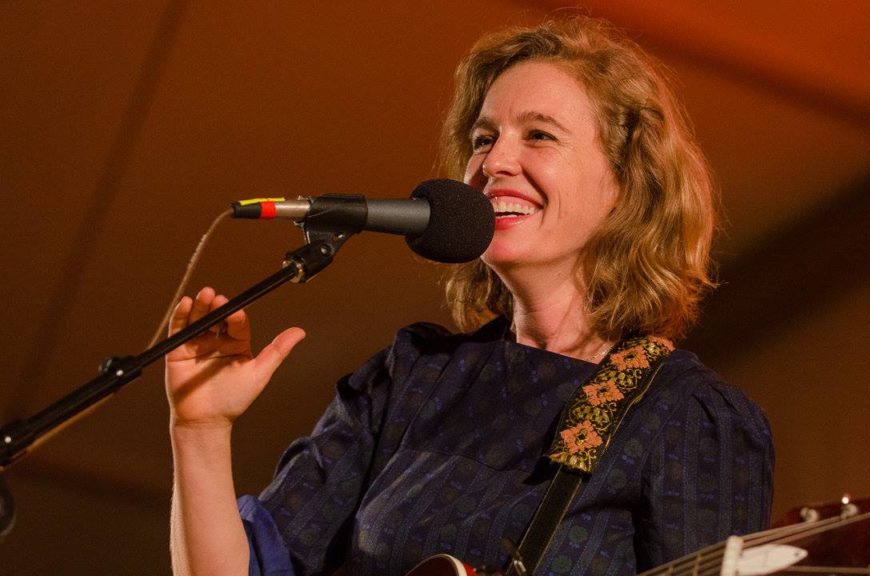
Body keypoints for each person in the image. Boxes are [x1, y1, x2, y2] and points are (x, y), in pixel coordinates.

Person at [165, 15, 773, 576]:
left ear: (626, 184)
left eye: (539, 135)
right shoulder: (411, 379)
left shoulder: (684, 416)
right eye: (483, 139)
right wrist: (200, 429)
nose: (495, 161)